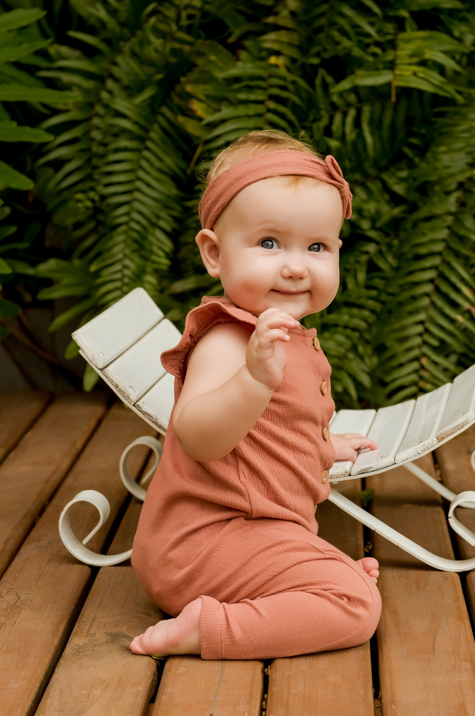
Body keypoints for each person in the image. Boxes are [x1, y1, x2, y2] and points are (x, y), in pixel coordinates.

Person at [129, 130, 382, 659]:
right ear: (214, 253)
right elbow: (198, 437)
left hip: (245, 535)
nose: (295, 265)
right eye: (269, 243)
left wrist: (322, 445)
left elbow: (270, 429)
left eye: (316, 246)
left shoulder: (275, 334)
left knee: (343, 579)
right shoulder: (228, 340)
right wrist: (253, 380)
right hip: (200, 546)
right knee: (356, 606)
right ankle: (210, 625)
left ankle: (307, 583)